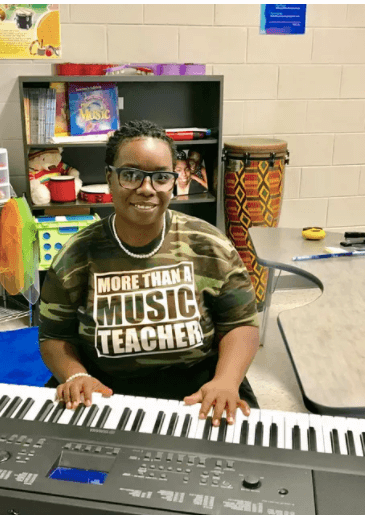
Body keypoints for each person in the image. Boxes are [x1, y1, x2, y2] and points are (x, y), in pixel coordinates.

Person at [39, 120, 260, 427]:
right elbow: (54, 336)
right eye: (131, 175)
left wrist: (226, 380)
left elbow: (241, 325)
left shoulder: (209, 244)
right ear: (109, 179)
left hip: (200, 388)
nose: (146, 189)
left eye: (160, 178)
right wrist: (75, 375)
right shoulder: (75, 255)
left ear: (173, 181)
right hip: (104, 391)